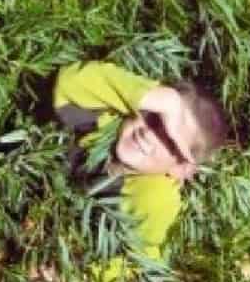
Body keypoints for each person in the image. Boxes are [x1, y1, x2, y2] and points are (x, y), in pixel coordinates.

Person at [52, 59, 229, 267]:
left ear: (181, 168)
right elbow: (68, 82)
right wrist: (164, 100)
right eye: (156, 118)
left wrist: (70, 274)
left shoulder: (154, 201)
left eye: (170, 141)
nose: (150, 135)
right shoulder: (107, 117)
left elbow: (136, 260)